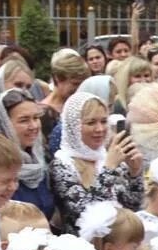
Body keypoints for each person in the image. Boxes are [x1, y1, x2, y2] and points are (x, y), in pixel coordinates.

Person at [49, 91, 144, 233]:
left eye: (104, 121)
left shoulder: (107, 157)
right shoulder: (62, 164)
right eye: (91, 122)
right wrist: (109, 168)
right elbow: (85, 212)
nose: (99, 129)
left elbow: (132, 206)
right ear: (74, 126)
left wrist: (134, 173)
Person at [0, 89, 54, 219]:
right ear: (3, 124)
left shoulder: (41, 160)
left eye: (36, 118)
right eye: (24, 120)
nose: (33, 126)